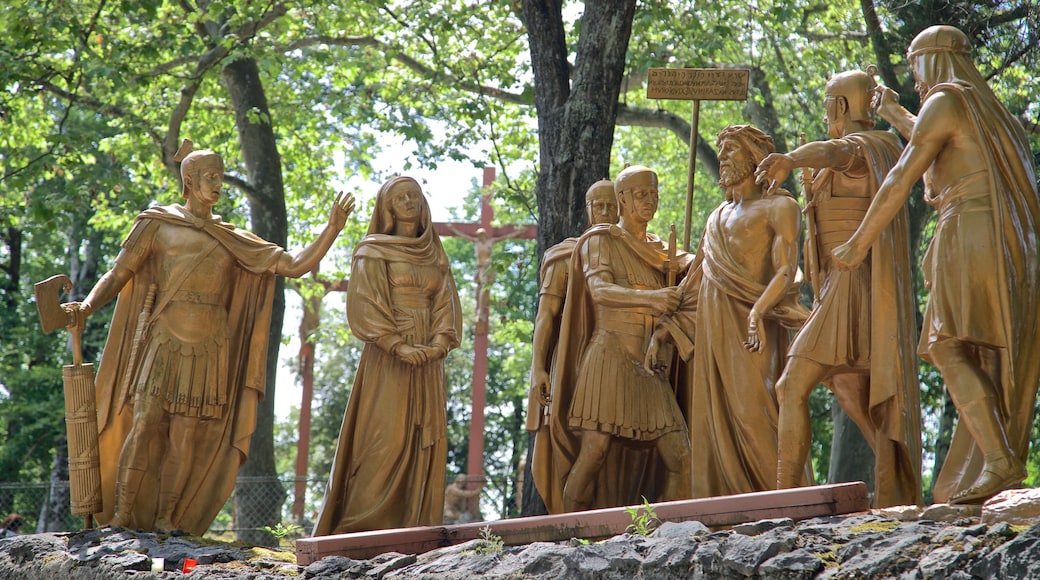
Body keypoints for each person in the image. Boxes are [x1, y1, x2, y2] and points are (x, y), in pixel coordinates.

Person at [62, 140, 355, 534]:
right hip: (164, 338)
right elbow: (119, 274)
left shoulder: (234, 238)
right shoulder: (157, 224)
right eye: (210, 177)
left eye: (220, 177)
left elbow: (295, 265)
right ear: (189, 181)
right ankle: (122, 515)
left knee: (186, 435)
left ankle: (168, 520)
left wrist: (332, 229)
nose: (218, 184)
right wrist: (86, 307)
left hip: (211, 345)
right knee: (145, 422)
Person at [833, 25, 1040, 504]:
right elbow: (935, 147)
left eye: (915, 63)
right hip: (999, 237)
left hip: (966, 229)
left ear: (934, 59)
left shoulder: (945, 99)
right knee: (970, 349)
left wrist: (859, 242)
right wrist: (895, 112)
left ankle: (1000, 459)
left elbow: (904, 174)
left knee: (946, 345)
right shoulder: (984, 108)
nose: (914, 76)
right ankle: (996, 457)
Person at [755, 69, 922, 507]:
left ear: (841, 106)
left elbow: (834, 151)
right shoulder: (880, 149)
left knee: (791, 385)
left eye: (829, 101)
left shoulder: (869, 147)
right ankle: (896, 489)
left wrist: (791, 158)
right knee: (852, 390)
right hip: (836, 289)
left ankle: (783, 498)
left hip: (853, 290)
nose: (825, 110)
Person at [651, 125, 810, 498]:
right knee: (710, 416)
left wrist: (757, 311)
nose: (722, 157)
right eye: (720, 150)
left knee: (754, 411)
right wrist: (664, 329)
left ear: (755, 157)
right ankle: (720, 500)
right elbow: (693, 279)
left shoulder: (779, 207)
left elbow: (787, 270)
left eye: (731, 150)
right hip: (712, 323)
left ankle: (785, 498)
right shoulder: (716, 217)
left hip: (752, 323)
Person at [533, 165, 693, 513]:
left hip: (650, 365)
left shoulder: (663, 253)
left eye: (654, 194)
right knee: (594, 452)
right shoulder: (600, 241)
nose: (650, 201)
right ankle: (570, 532)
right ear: (622, 200)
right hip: (609, 357)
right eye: (641, 195)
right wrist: (653, 299)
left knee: (681, 454)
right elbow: (600, 290)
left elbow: (696, 276)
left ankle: (659, 533)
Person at [314, 176, 462, 534]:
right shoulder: (372, 250)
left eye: (414, 195)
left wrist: (440, 343)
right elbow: (366, 302)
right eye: (400, 197)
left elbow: (446, 300)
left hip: (427, 359)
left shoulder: (434, 253)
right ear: (388, 209)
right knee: (384, 438)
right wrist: (397, 344)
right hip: (389, 357)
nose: (409, 201)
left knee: (420, 438)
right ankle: (357, 528)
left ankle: (413, 526)